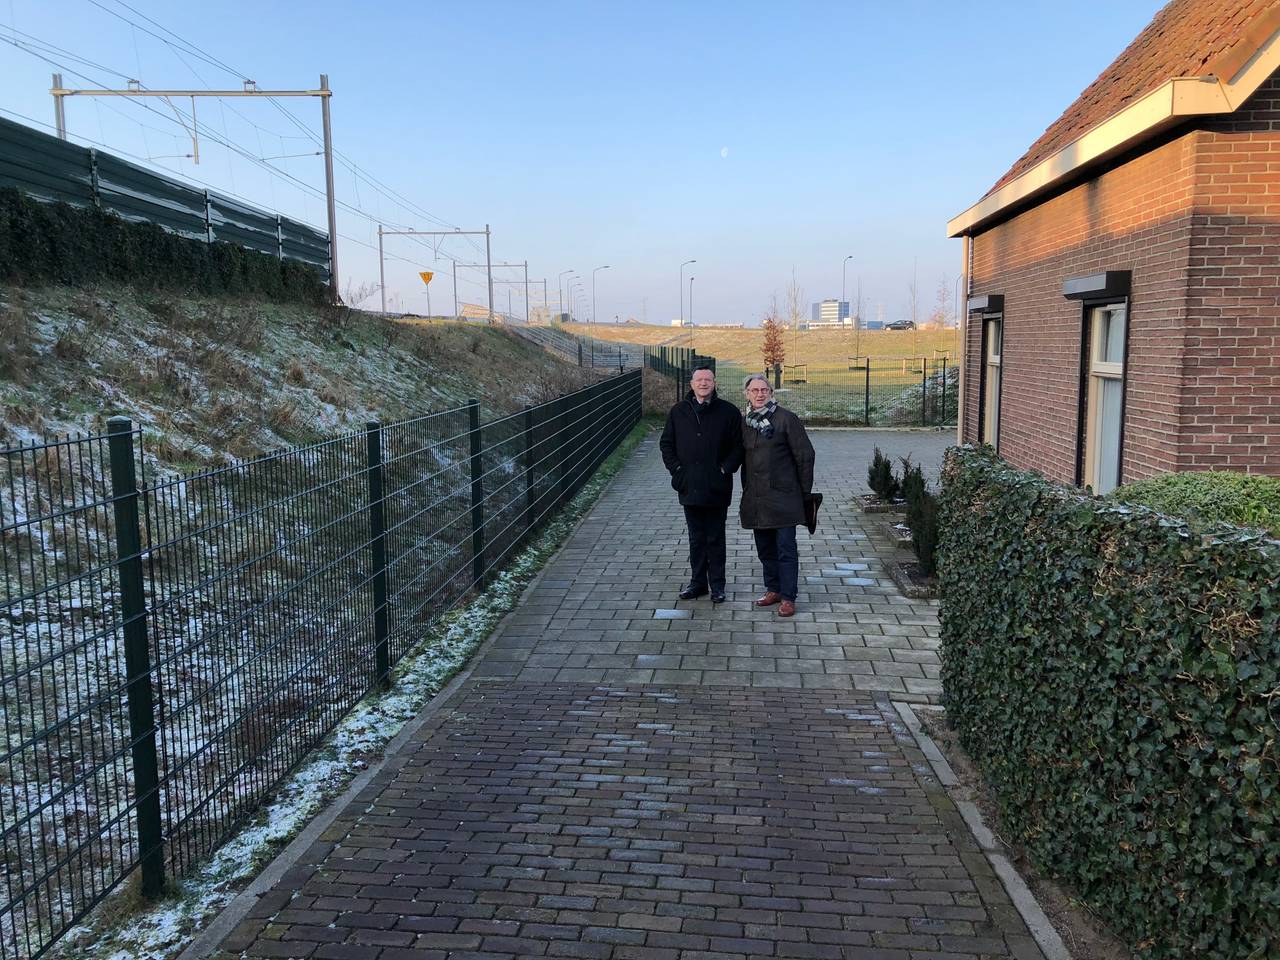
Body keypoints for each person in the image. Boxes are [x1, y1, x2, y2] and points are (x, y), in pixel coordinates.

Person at [659, 365, 744, 604]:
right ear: (691, 384)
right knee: (696, 538)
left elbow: (738, 447)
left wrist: (725, 468)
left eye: (708, 379)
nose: (704, 383)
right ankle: (698, 583)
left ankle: (717, 585)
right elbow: (666, 444)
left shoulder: (728, 412)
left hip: (717, 486)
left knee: (715, 537)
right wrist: (677, 471)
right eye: (699, 380)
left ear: (714, 383)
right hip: (689, 486)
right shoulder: (678, 411)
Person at [739, 373, 815, 618]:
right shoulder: (746, 422)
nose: (759, 394)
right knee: (765, 549)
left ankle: (789, 597)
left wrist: (803, 491)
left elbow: (805, 456)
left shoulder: (786, 419)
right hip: (757, 498)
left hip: (784, 497)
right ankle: (773, 589)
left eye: (764, 390)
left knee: (785, 548)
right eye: (754, 390)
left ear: (771, 392)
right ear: (747, 394)